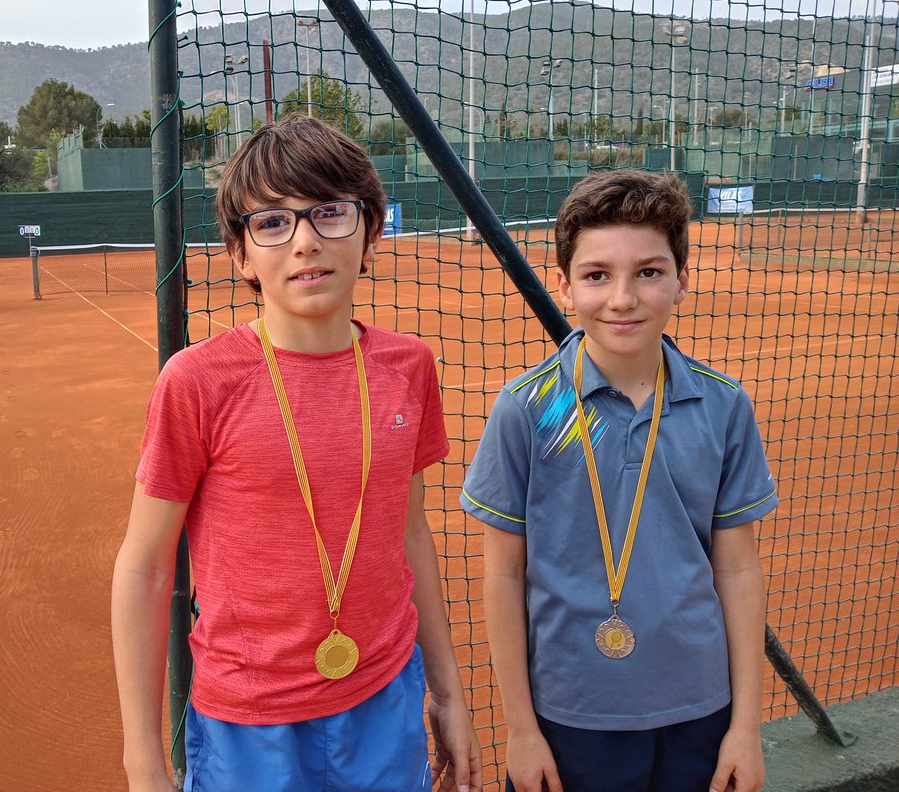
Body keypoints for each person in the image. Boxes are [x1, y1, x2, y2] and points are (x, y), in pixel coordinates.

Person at [112, 114, 482, 792]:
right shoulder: (196, 383)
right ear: (241, 255)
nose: (306, 240)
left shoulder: (409, 366)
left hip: (385, 698)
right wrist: (143, 761)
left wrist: (448, 694)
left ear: (371, 231)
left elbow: (410, 530)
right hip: (249, 724)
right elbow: (144, 567)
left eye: (330, 213)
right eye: (273, 222)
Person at [461, 170, 777, 792]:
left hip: (701, 712)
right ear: (565, 285)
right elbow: (502, 574)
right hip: (570, 715)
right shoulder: (531, 409)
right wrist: (521, 731)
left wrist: (746, 728)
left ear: (682, 280)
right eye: (597, 275)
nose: (623, 298)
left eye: (649, 272)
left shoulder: (722, 406)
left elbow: (737, 570)